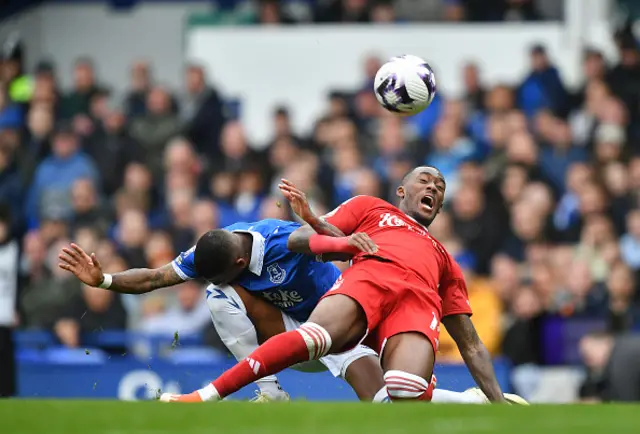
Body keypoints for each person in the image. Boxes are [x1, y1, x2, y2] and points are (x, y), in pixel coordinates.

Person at [60, 216, 514, 404]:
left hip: (339, 324)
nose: (219, 278)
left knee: (388, 403)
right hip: (284, 331)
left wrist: (344, 242)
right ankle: (270, 389)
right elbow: (157, 277)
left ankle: (470, 401)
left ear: (241, 261)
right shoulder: (214, 251)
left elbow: (318, 241)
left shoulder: (280, 241)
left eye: (226, 273)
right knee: (218, 297)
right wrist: (103, 280)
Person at [159, 168, 507, 403]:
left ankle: (467, 400)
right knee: (312, 334)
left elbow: (471, 344)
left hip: (414, 309)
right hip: (365, 286)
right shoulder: (371, 208)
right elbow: (306, 241)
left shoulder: (445, 260)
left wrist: (499, 403)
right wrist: (312, 218)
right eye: (425, 180)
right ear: (401, 191)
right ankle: (206, 397)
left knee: (401, 392)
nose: (433, 186)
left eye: (440, 187)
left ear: (441, 207)